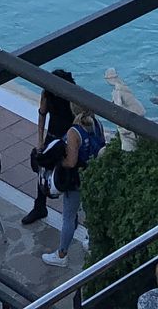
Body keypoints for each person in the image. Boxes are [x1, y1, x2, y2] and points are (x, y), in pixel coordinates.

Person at [40, 103, 105, 268]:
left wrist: (57, 162)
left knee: (68, 217)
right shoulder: (98, 123)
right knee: (90, 211)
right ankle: (91, 244)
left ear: (73, 109)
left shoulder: (74, 132)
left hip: (76, 181)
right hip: (93, 175)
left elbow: (71, 162)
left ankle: (61, 254)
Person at [21, 68, 76, 226]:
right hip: (52, 136)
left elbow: (78, 118)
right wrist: (40, 140)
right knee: (42, 170)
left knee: (69, 174)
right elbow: (42, 114)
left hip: (68, 138)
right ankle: (40, 207)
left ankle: (71, 214)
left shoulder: (72, 96)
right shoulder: (47, 93)